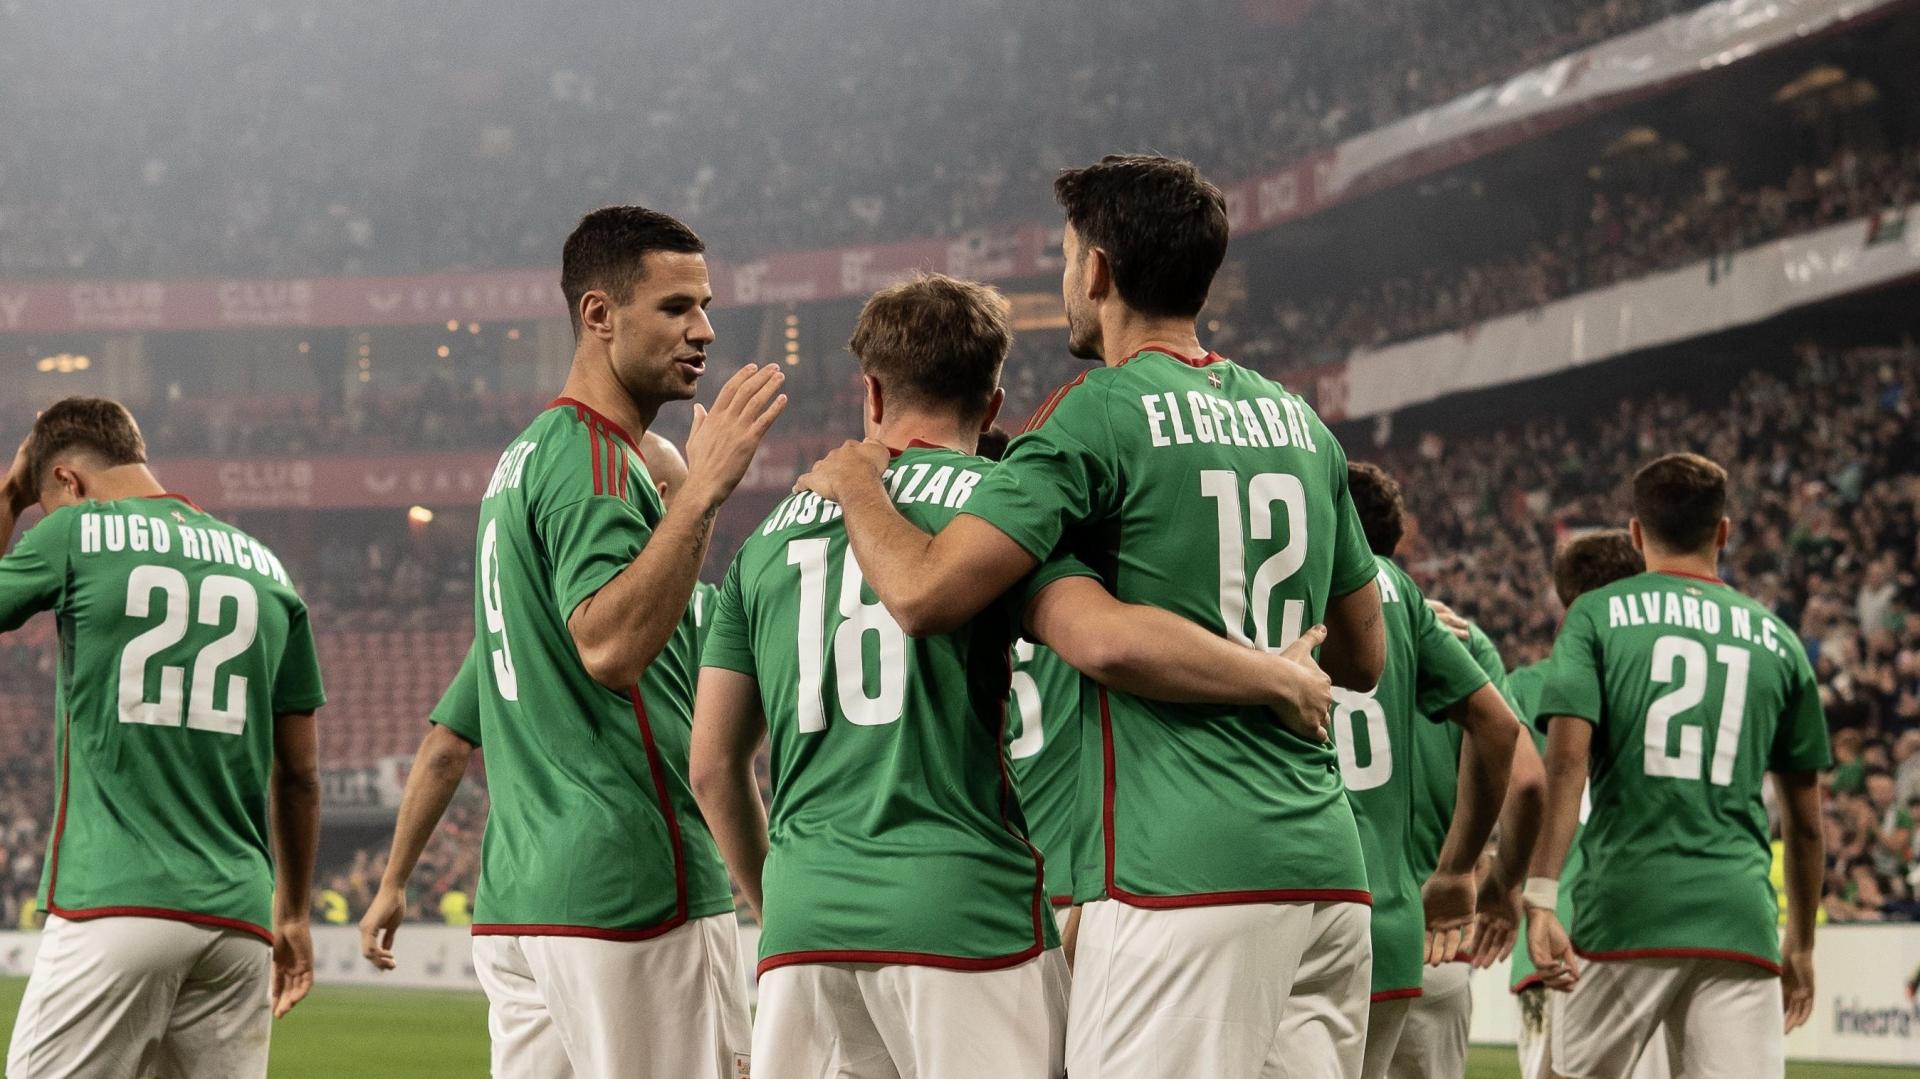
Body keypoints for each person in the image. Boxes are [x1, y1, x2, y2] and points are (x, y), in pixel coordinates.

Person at [797, 154, 1387, 1079]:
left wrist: (860, 485)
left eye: (1069, 258)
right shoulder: (1301, 424)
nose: (1067, 279)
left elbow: (923, 593)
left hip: (1182, 873)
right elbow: (1362, 657)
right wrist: (1273, 666)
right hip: (1327, 874)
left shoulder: (1095, 413)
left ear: (1100, 270)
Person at [694, 273, 1338, 1079]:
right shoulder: (1001, 510)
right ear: (994, 402)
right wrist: (1272, 675)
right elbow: (1100, 636)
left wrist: (787, 909)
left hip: (802, 930)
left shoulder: (764, 543)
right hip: (964, 915)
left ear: (871, 391)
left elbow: (712, 765)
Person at [464, 206, 785, 1078]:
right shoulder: (598, 460)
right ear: (599, 314)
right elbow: (608, 647)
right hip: (630, 886)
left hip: (525, 889)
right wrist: (703, 490)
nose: (704, 329)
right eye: (676, 307)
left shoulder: (527, 455)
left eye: (705, 306)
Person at [0, 398, 323, 1078]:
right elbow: (300, 776)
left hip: (115, 900)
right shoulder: (267, 568)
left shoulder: (77, 531)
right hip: (241, 922)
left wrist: (7, 497)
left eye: (43, 503)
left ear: (66, 480)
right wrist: (293, 913)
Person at [359, 430, 706, 973]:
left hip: (510, 908)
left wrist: (393, 882)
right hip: (632, 892)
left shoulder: (523, 618)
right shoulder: (708, 612)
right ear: (660, 498)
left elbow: (444, 751)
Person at [1528, 453, 1829, 1077]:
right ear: (1723, 531)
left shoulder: (1596, 615)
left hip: (1625, 905)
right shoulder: (1779, 639)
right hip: (1740, 917)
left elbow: (1567, 763)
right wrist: (1801, 943)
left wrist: (1541, 894)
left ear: (1637, 534)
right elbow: (1805, 825)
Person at [1329, 463, 1521, 1079]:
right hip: (1422, 927)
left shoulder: (1274, 592)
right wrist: (1483, 875)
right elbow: (1521, 767)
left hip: (1303, 908)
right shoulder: (1454, 633)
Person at [1503, 530, 1671, 1079]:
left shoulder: (1523, 688)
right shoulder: (1668, 684)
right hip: (1654, 928)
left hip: (1553, 929)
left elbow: (1514, 794)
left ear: (1565, 600)